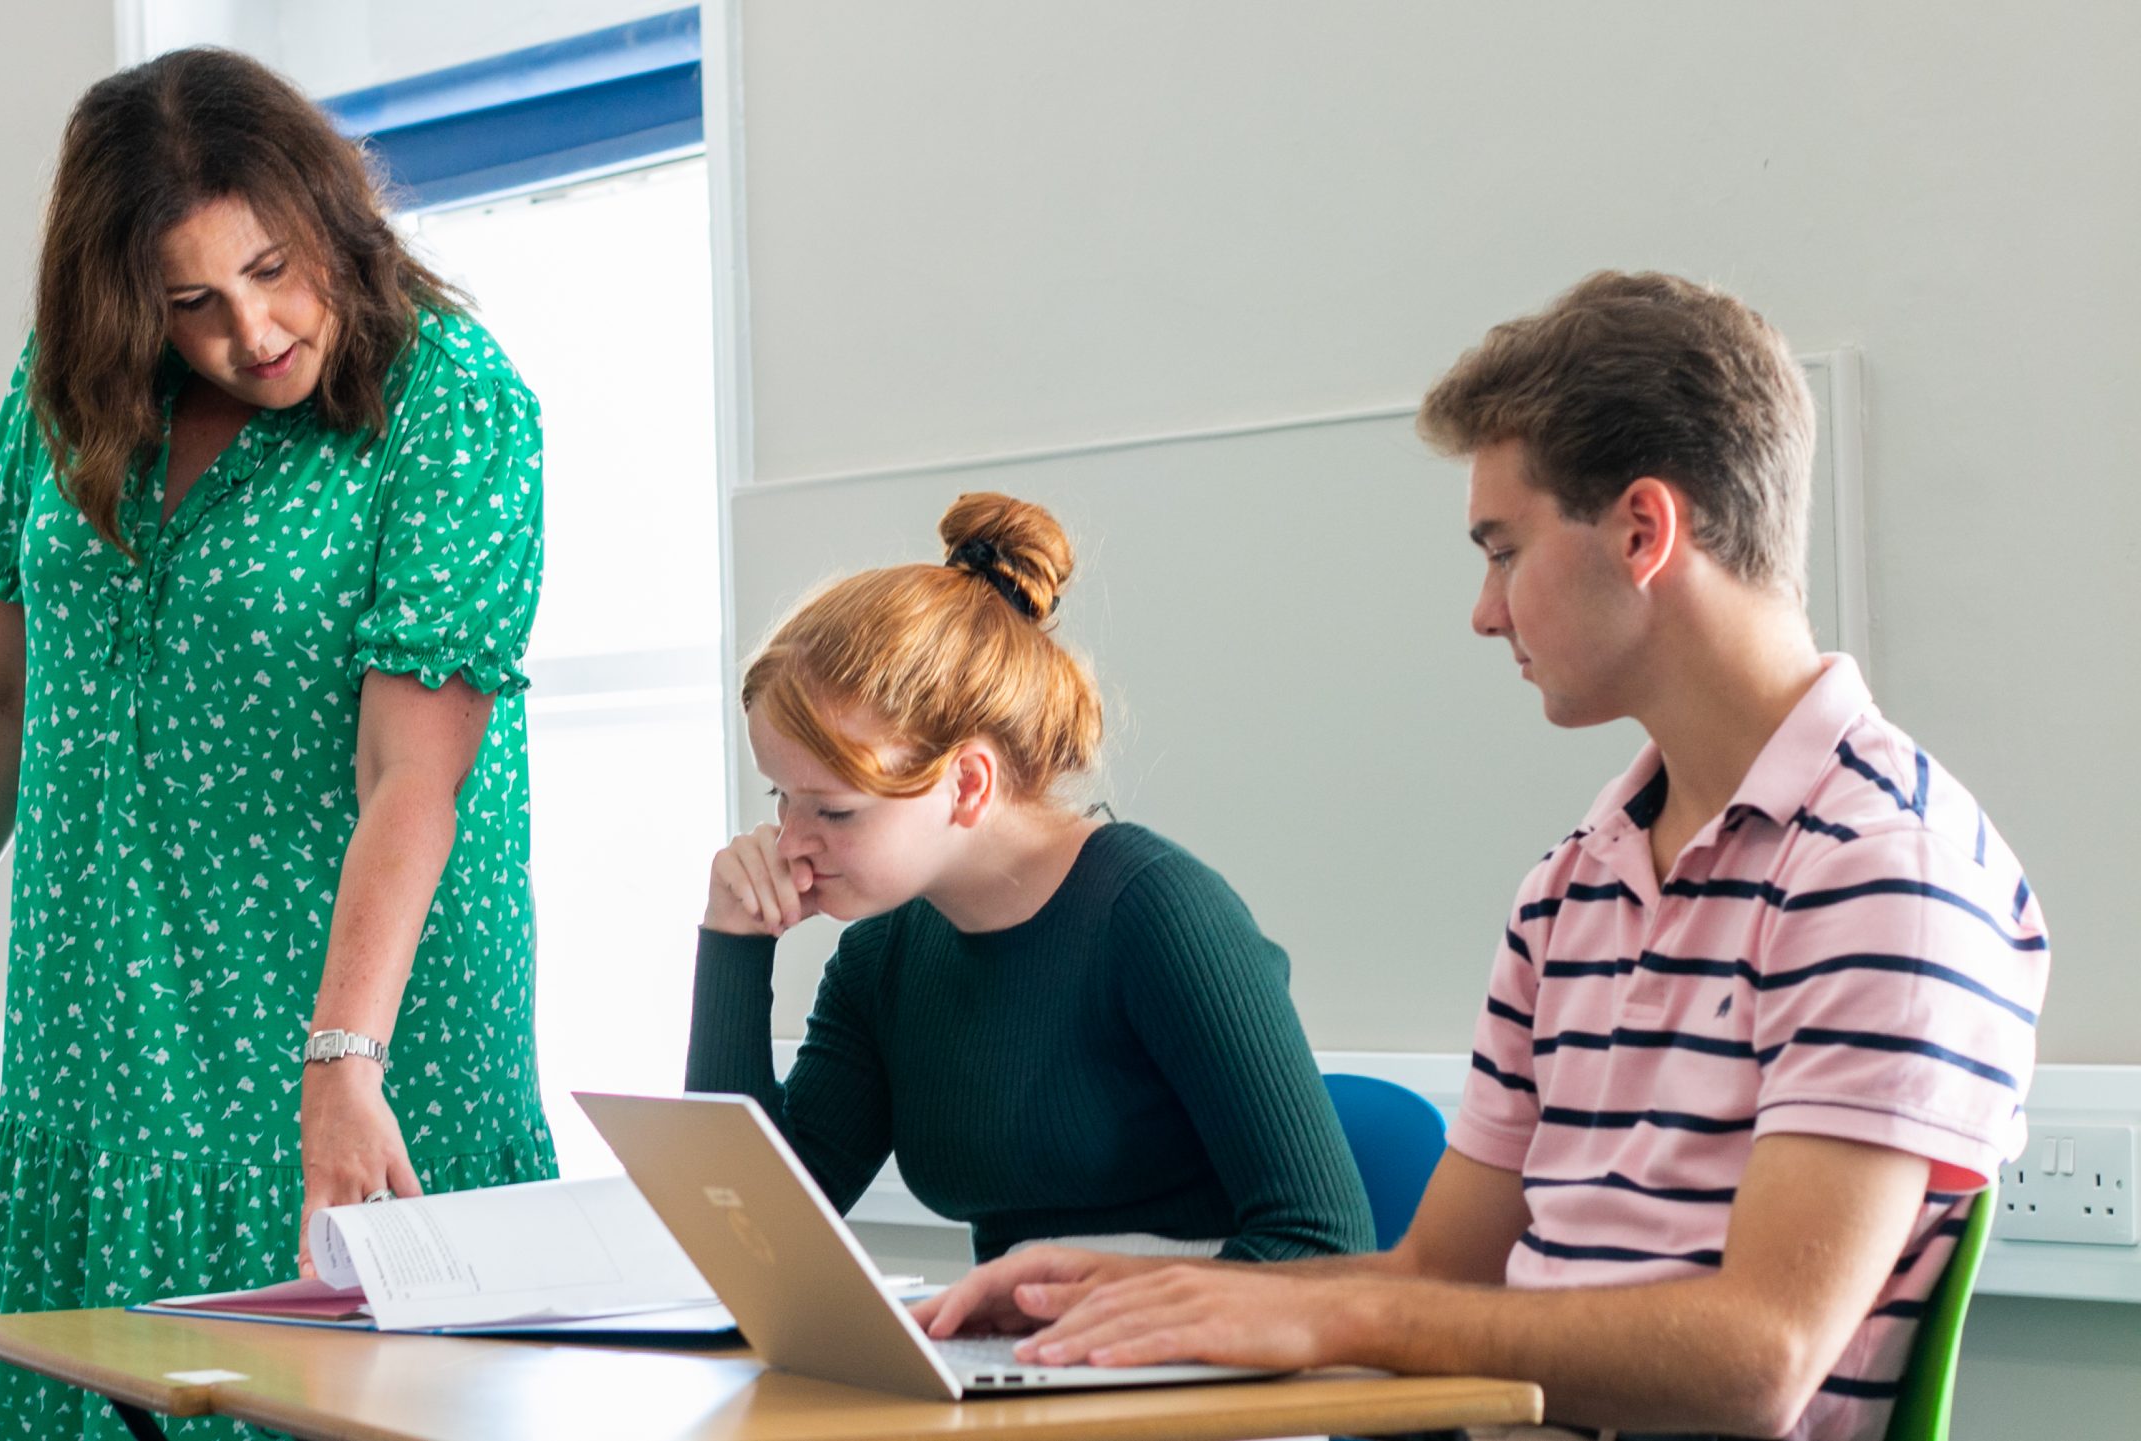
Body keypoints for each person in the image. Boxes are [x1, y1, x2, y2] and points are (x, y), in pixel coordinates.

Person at [914, 274, 2049, 1441]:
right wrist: (1140, 1293)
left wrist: (1337, 1325)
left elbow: (1756, 1361)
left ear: (1642, 531)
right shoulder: (1570, 890)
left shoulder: (1884, 870)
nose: (1484, 611)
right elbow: (1437, 1280)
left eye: (1502, 551)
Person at [0, 48, 553, 1440]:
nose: (256, 328)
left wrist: (342, 1064)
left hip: (351, 1038)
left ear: (333, 215)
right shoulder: (66, 390)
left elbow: (415, 772)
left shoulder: (450, 402)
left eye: (277, 268)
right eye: (194, 302)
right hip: (104, 1042)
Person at [690, 491, 1374, 1265]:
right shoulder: (882, 960)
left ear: (969, 784)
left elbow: (1325, 1248)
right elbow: (747, 1241)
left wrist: (1068, 1305)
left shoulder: (1158, 915)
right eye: (781, 796)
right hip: (1030, 1373)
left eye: (835, 811)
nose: (789, 842)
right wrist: (734, 946)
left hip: (1199, 1375)